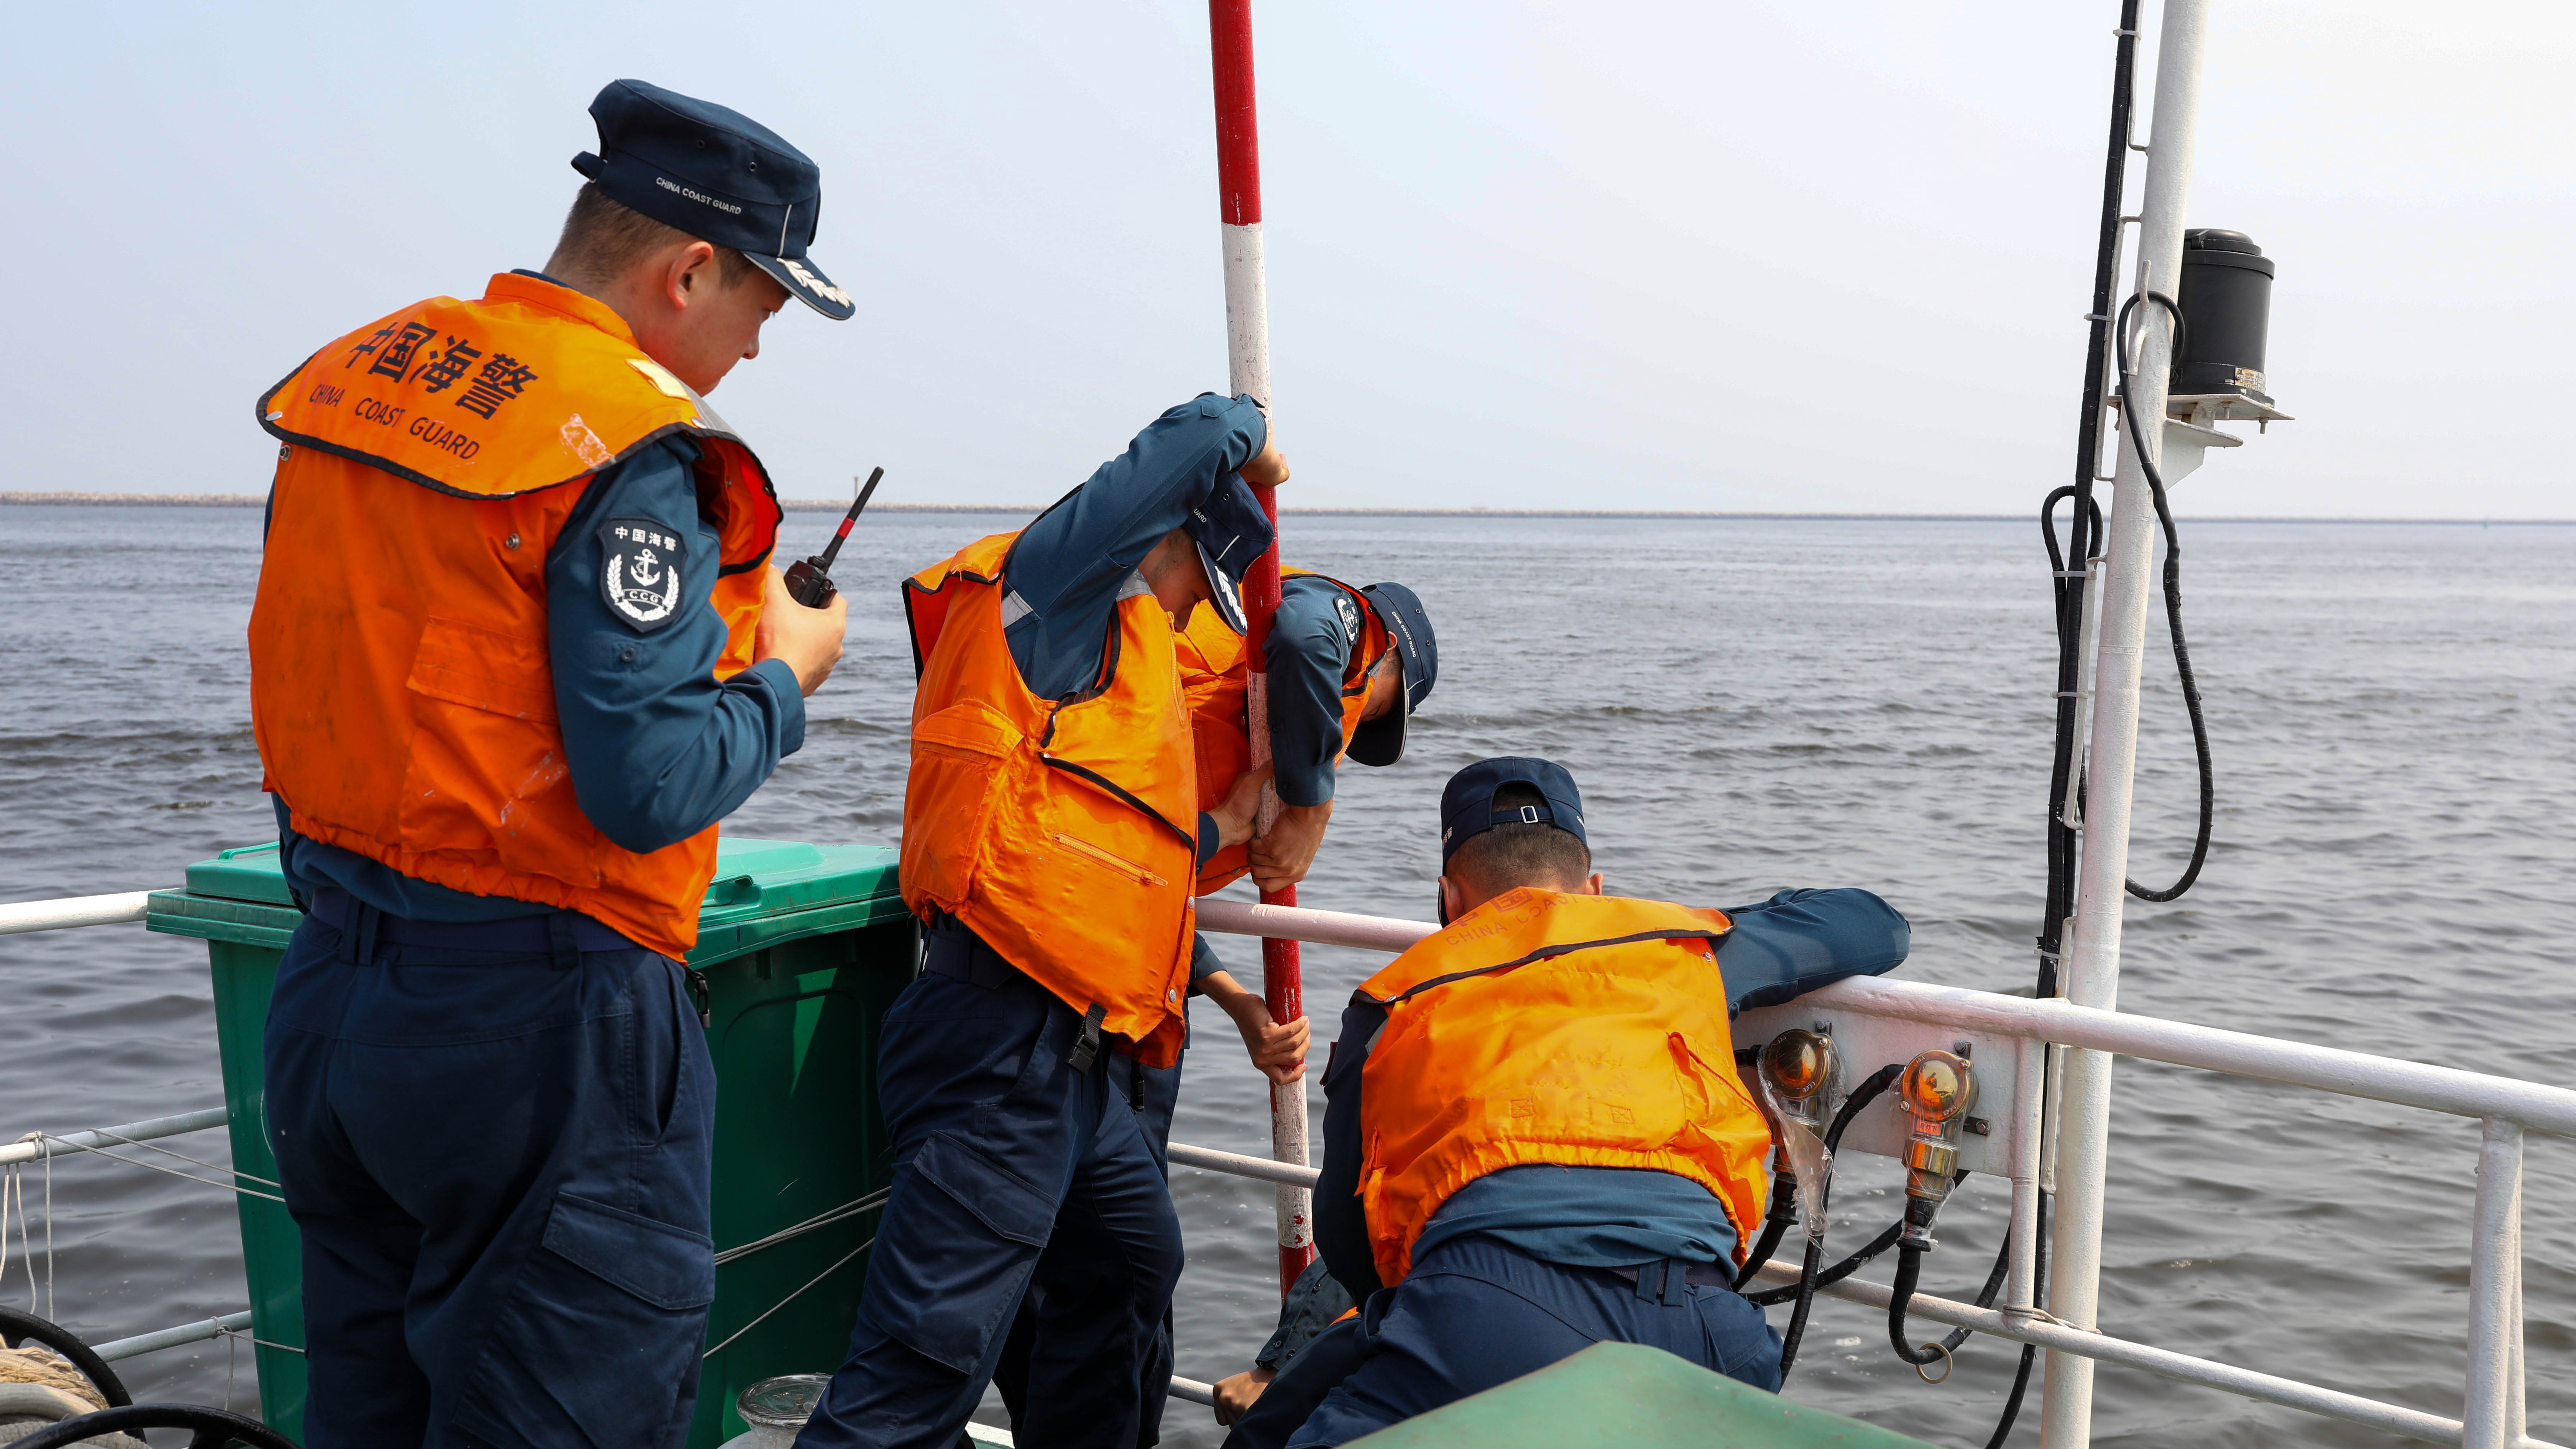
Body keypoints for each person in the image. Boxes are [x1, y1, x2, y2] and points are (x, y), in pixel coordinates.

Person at [246, 79, 853, 1448]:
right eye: (763, 307)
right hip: (539, 1032)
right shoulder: (629, 442)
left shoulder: (364, 378)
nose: (755, 351)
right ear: (689, 271)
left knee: (372, 1415)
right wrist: (786, 678)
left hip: (334, 990)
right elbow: (639, 786)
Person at [796, 394, 1304, 1449]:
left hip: (1084, 1062)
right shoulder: (1054, 592)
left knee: (1131, 1266)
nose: (1181, 614)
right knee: (923, 1363)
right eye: (1188, 583)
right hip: (997, 1043)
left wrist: (1224, 869)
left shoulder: (1125, 657)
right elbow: (1187, 435)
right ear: (1159, 537)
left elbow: (1105, 856)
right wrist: (1250, 431)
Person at [1221, 757, 1913, 1449]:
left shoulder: (1393, 997)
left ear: (1449, 901)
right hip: (1705, 1331)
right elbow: (1878, 927)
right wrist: (1704, 926)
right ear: (1597, 889)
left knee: (1274, 1430)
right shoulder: (1686, 948)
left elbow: (1347, 1243)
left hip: (1475, 1314)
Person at [994, 570, 1439, 1445]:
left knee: (1087, 1275)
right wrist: (1309, 802)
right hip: (1066, 1008)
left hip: (1099, 981)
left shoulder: (1212, 681)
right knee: (1115, 1268)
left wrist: (1236, 1003)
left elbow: (1132, 881)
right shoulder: (1331, 636)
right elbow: (1314, 628)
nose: (1359, 729)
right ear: (1390, 663)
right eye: (1379, 709)